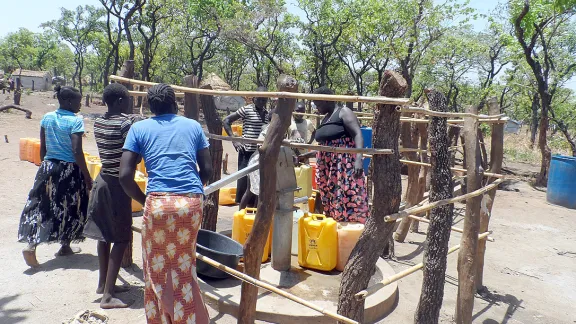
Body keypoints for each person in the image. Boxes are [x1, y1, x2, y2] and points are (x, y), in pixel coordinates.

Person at [119, 84, 212, 324]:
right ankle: (189, 319)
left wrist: (144, 201)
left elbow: (124, 176)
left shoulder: (139, 128)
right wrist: (192, 194)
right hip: (190, 203)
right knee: (184, 264)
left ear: (151, 107)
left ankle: (162, 319)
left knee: (156, 267)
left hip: (158, 203)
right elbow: (208, 170)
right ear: (175, 104)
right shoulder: (192, 126)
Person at [18, 85, 92, 267]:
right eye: (78, 101)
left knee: (42, 205)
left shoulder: (47, 118)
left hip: (48, 166)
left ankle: (33, 244)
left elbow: (43, 148)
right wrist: (86, 175)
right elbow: (76, 150)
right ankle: (65, 244)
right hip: (69, 170)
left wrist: (46, 167)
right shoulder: (75, 121)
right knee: (69, 206)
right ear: (68, 101)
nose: (80, 105)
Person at [82, 83, 137, 309]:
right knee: (122, 238)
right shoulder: (125, 125)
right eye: (128, 99)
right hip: (117, 185)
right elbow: (134, 156)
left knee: (104, 236)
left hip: (102, 180)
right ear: (121, 102)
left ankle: (104, 284)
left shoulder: (99, 122)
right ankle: (107, 297)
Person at [313, 86, 369, 223]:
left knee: (347, 193)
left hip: (342, 163)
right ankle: (334, 226)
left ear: (327, 101)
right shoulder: (326, 118)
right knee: (331, 194)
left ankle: (351, 228)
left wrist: (359, 159)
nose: (316, 107)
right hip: (327, 165)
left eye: (318, 103)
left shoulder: (343, 112)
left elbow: (357, 134)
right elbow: (325, 144)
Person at [238, 114, 304, 210]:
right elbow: (261, 146)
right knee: (254, 191)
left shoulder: (285, 129)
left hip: (271, 162)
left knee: (261, 191)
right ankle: (242, 213)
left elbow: (296, 141)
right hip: (259, 161)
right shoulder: (269, 129)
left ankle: (256, 215)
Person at [222, 87, 269, 204]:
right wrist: (234, 140)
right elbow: (226, 120)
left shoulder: (268, 114)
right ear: (254, 99)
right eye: (259, 99)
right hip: (247, 151)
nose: (262, 102)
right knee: (243, 179)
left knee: (257, 180)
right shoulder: (246, 110)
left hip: (260, 153)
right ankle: (241, 206)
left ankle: (253, 205)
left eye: (264, 100)